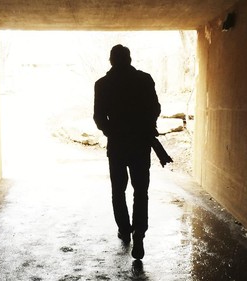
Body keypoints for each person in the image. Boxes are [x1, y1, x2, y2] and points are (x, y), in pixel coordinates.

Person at [93, 44, 161, 260]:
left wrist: (113, 133)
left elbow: (99, 117)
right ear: (129, 59)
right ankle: (139, 233)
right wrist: (145, 127)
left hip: (117, 146)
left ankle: (125, 230)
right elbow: (155, 109)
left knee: (118, 190)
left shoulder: (102, 84)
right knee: (141, 191)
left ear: (111, 61)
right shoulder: (144, 79)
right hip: (141, 145)